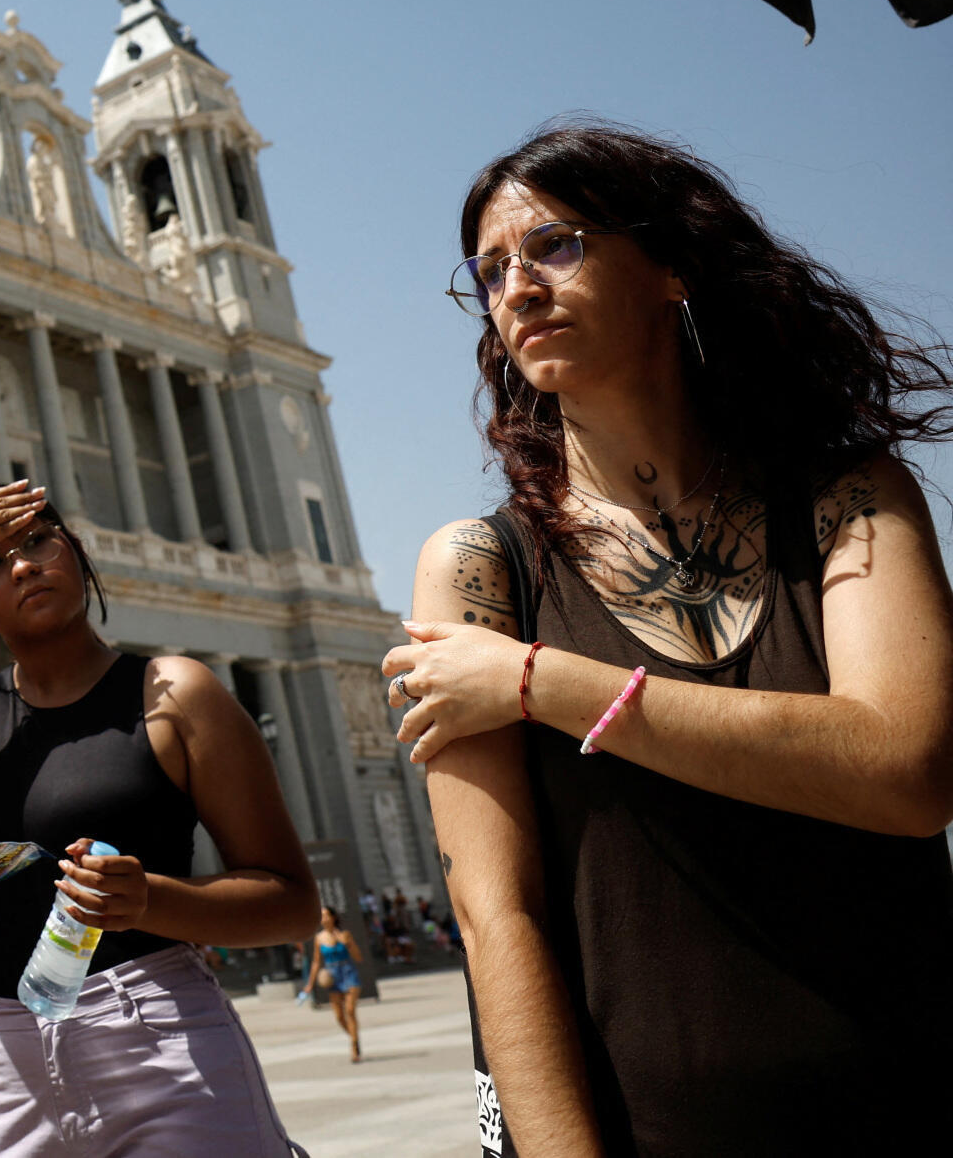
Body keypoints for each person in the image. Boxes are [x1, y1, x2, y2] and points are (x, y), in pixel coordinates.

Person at [383, 122, 953, 1157]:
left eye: (552, 245)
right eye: (488, 271)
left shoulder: (847, 497)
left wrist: (535, 682)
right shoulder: (477, 569)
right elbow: (493, 918)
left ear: (670, 269)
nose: (513, 287)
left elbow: (904, 772)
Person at [0, 479, 318, 1156]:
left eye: (36, 541)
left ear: (74, 550)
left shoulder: (175, 695)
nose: (23, 565)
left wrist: (150, 898)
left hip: (155, 1035)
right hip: (9, 1060)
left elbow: (292, 903)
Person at [300, 908, 365, 1063]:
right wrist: (310, 983)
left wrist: (348, 944)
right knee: (339, 1016)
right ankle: (354, 1037)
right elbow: (316, 961)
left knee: (350, 1010)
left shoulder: (345, 934)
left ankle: (354, 1047)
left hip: (348, 972)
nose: (323, 918)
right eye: (321, 916)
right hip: (332, 975)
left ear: (333, 917)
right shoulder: (319, 938)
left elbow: (358, 957)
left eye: (326, 915)